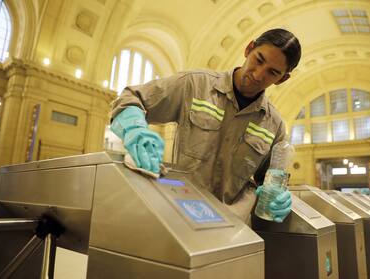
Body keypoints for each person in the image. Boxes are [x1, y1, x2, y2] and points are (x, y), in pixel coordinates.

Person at [111, 28, 301, 224]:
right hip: (180, 217)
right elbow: (130, 98)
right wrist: (135, 129)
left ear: (283, 79)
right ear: (249, 49)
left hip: (233, 229)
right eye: (259, 60)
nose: (259, 75)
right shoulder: (194, 85)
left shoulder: (275, 125)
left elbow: (268, 181)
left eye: (273, 72)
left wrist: (276, 199)